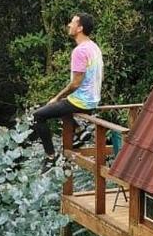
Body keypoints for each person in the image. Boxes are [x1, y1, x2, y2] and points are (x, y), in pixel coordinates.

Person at [33, 13, 103, 159]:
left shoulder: (80, 51)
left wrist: (56, 97)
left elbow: (76, 83)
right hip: (93, 99)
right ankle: (79, 130)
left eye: (72, 23)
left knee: (39, 115)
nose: (69, 25)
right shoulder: (94, 47)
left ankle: (50, 156)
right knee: (60, 106)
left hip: (82, 101)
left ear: (80, 28)